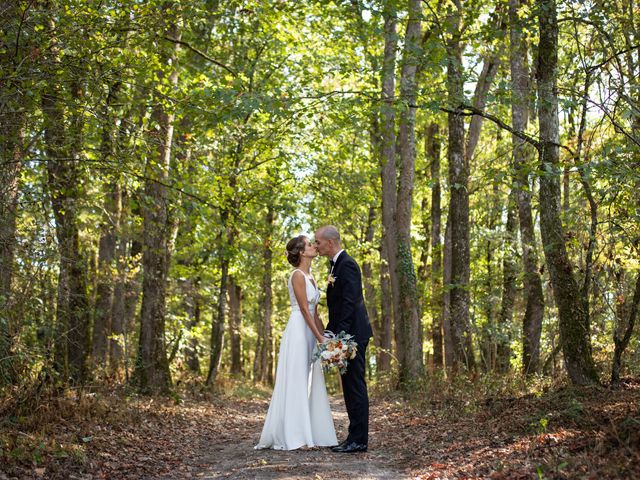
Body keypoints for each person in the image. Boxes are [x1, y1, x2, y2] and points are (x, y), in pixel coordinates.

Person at [255, 235, 338, 450]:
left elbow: (316, 312)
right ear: (301, 252)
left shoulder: (312, 276)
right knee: (297, 380)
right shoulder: (297, 275)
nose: (314, 246)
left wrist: (325, 337)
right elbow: (303, 309)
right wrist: (317, 336)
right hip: (299, 330)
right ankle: (295, 436)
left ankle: (311, 432)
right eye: (310, 244)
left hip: (311, 329)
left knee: (310, 380)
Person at [314, 225, 373, 453]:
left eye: (318, 242)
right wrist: (330, 331)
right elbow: (336, 307)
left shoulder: (347, 265)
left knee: (355, 386)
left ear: (330, 242)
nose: (316, 246)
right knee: (349, 387)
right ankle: (353, 437)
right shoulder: (336, 265)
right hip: (346, 334)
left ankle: (359, 440)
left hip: (354, 336)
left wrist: (342, 338)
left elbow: (350, 303)